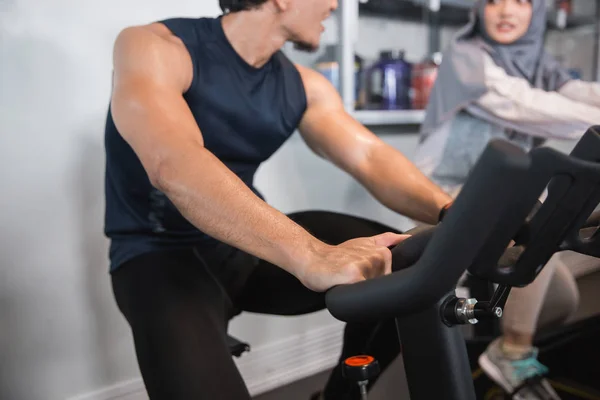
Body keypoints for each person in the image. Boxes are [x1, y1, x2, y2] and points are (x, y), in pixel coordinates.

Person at [104, 0, 454, 399]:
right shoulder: (156, 47)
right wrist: (310, 253)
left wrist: (451, 212)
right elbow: (174, 163)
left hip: (241, 252)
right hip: (158, 256)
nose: (335, 5)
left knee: (405, 267)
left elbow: (369, 158)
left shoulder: (304, 85)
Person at [414, 0, 600, 398]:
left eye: (519, 1)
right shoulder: (466, 56)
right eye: (493, 0)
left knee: (562, 302)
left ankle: (495, 355)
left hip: (501, 195)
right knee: (539, 214)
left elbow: (579, 92)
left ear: (537, 12)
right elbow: (526, 104)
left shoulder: (538, 63)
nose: (504, 11)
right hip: (443, 192)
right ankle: (513, 354)